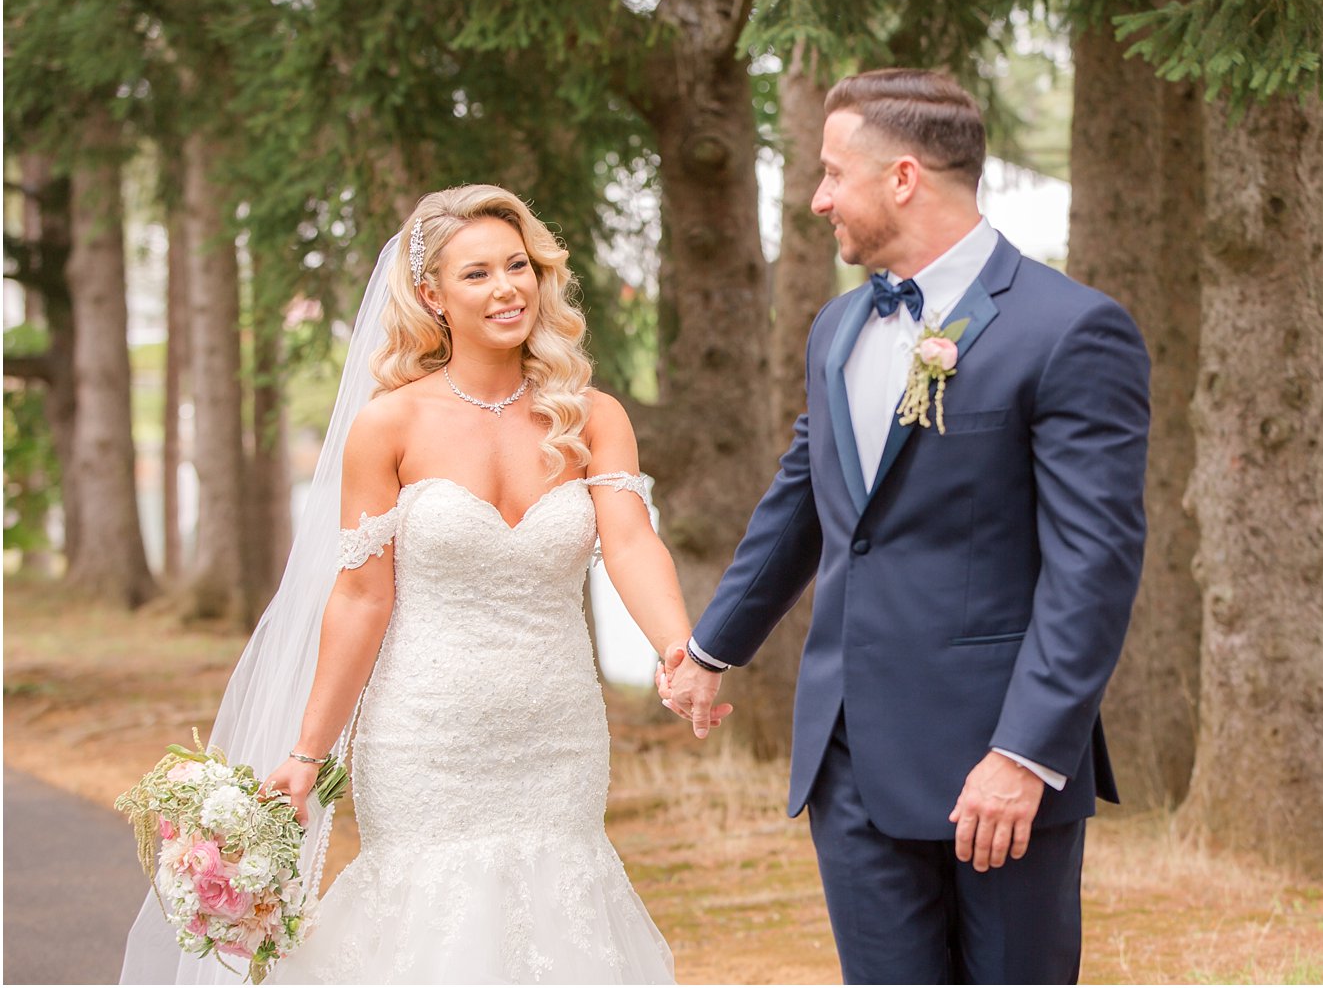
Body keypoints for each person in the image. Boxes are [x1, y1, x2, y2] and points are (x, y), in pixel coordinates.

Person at [122, 184, 709, 984]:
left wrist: (677, 646)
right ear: (433, 295)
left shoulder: (592, 414)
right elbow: (363, 597)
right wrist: (306, 750)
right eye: (477, 274)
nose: (507, 287)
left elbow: (634, 542)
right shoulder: (389, 425)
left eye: (519, 266)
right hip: (424, 735)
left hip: (557, 733)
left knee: (559, 909)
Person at [660, 69, 1150, 984]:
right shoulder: (837, 327)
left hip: (995, 764)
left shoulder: (1072, 330)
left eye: (831, 173)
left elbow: (1095, 566)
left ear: (903, 178)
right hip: (848, 754)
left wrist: (1026, 752)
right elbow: (804, 499)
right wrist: (710, 649)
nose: (817, 199)